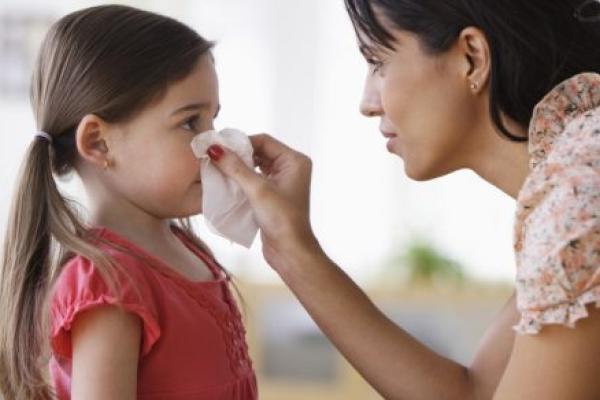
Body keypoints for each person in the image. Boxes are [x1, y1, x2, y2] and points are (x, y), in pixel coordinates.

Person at [206, 0, 600, 398]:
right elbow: (477, 393)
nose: (366, 103)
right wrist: (292, 250)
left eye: (377, 61)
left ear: (472, 57)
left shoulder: (577, 194)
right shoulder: (574, 170)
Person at [0, 5, 257, 400]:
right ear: (98, 143)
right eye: (190, 122)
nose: (216, 144)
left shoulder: (190, 250)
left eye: (213, 121)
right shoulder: (109, 283)